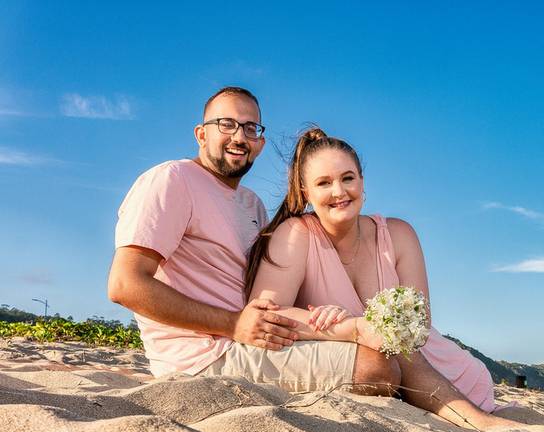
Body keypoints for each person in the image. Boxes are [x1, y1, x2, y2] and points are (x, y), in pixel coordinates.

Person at [107, 87, 399, 397]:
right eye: (226, 124)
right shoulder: (171, 179)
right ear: (201, 134)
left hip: (255, 339)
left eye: (250, 128)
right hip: (205, 355)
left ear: (260, 143)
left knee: (381, 347)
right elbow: (125, 285)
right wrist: (233, 324)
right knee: (375, 367)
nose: (239, 137)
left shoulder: (252, 204)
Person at [244, 127, 523, 431]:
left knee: (394, 342)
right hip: (375, 373)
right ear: (305, 192)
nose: (339, 192)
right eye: (324, 183)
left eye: (347, 178)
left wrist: (365, 326)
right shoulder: (295, 235)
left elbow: (419, 327)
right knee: (384, 344)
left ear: (362, 182)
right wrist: (348, 327)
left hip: (449, 374)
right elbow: (266, 315)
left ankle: (479, 418)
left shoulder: (399, 234)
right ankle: (479, 422)